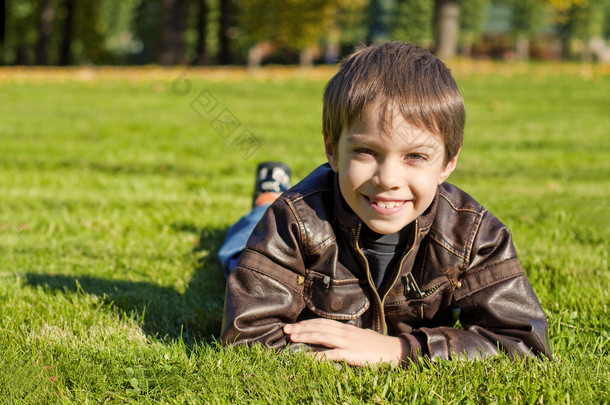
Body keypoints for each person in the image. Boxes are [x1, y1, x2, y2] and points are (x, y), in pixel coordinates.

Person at [219, 42, 552, 367]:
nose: (388, 178)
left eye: (416, 156)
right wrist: (334, 354)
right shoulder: (295, 220)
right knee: (241, 246)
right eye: (366, 152)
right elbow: (247, 333)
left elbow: (524, 343)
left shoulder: (471, 234)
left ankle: (268, 194)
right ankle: (267, 196)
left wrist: (399, 350)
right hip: (279, 221)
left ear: (448, 162)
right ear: (333, 150)